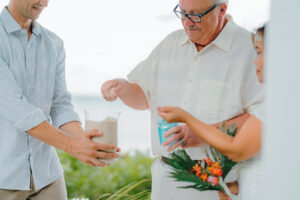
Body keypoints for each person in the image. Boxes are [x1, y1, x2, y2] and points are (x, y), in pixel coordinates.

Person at [101, 0, 262, 199]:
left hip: (219, 185)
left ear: (222, 10)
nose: (187, 22)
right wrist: (123, 88)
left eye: (195, 15)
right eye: (182, 13)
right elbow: (143, 97)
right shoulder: (170, 43)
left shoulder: (251, 49)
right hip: (166, 179)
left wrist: (204, 134)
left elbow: (264, 118)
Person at [0, 0, 119, 199]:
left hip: (47, 177)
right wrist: (73, 147)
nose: (45, 2)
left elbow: (60, 104)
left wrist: (83, 141)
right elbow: (16, 108)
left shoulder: (53, 43)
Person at [158, 25, 266, 200]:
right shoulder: (275, 101)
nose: (255, 61)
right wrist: (233, 187)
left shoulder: (273, 106)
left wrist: (186, 118)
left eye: (259, 53)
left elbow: (236, 150)